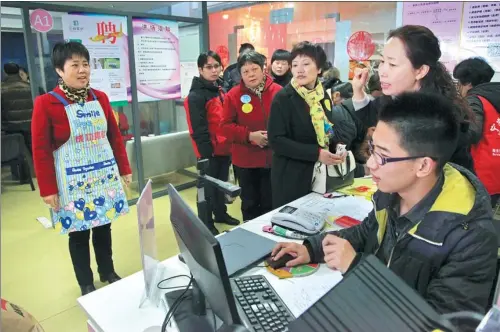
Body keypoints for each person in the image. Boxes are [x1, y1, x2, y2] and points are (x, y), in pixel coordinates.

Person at [272, 92, 498, 316]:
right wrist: (311, 248)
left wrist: (357, 267)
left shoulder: (471, 237)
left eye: (382, 156)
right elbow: (366, 232)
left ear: (423, 166)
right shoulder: (392, 194)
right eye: (372, 149)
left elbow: (441, 321)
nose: (370, 164)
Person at [31, 42, 132, 296]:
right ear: (59, 70)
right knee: (78, 233)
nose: (82, 70)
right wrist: (47, 189)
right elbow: (40, 149)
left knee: (103, 226)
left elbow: (114, 136)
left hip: (102, 176)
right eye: (74, 65)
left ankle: (107, 271)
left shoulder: (100, 97)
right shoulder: (46, 103)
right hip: (71, 181)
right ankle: (85, 282)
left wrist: (124, 168)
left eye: (85, 64)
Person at [350, 25, 474, 173]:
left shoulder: (438, 117)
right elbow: (372, 117)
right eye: (382, 62)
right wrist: (358, 91)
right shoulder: (394, 98)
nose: (382, 71)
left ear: (421, 71)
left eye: (393, 64)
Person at [267, 42, 357, 208]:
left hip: (321, 173)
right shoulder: (283, 98)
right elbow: (276, 140)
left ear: (319, 69)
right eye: (295, 65)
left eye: (306, 64)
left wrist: (337, 147)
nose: (299, 70)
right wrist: (315, 153)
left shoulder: (323, 96)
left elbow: (326, 129)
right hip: (291, 175)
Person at [220, 51, 282, 221]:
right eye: (245, 72)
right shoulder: (233, 95)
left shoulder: (278, 91)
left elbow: (288, 122)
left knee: (271, 203)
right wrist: (250, 136)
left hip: (273, 159)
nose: (251, 74)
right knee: (250, 203)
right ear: (240, 74)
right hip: (245, 161)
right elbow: (224, 127)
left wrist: (276, 136)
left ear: (263, 69)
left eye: (254, 69)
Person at [184, 51, 239, 235]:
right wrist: (206, 154)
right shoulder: (195, 96)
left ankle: (220, 214)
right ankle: (206, 223)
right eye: (209, 67)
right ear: (200, 69)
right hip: (208, 152)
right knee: (206, 190)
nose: (214, 70)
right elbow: (197, 129)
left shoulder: (220, 89)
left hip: (224, 148)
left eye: (217, 66)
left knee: (221, 185)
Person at [453, 57, 500, 209]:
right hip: (496, 168)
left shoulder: (474, 100)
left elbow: (472, 133)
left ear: (467, 83)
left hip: (481, 169)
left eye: (458, 82)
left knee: (471, 215)